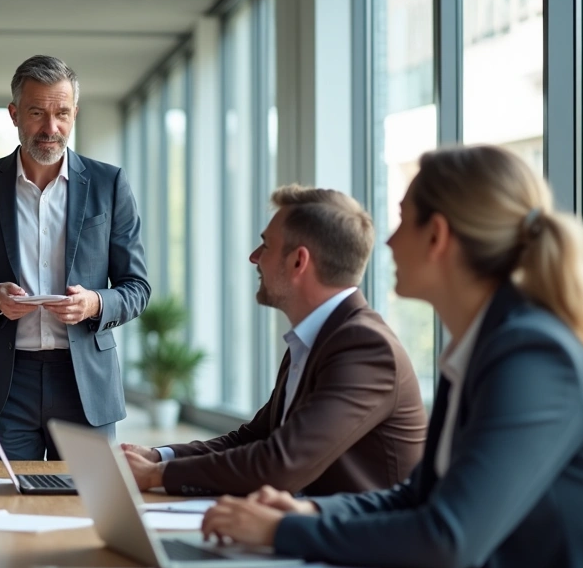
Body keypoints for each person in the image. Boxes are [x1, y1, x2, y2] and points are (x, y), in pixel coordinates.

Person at [202, 145, 583, 568]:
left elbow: (448, 534)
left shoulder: (534, 355)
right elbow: (420, 495)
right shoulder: (481, 345)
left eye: (401, 220)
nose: (389, 242)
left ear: (436, 235)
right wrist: (309, 510)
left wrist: (282, 531)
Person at [123, 187, 426, 496]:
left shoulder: (364, 347)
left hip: (352, 540)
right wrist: (157, 457)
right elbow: (254, 438)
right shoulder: (318, 337)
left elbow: (280, 463)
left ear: (298, 261)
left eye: (265, 245)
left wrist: (156, 475)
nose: (254, 257)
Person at [0, 55, 150, 460]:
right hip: (6, 384)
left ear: (75, 114)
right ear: (14, 114)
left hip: (85, 380)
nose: (51, 128)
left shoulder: (110, 184)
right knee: (5, 507)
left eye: (62, 113)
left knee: (89, 506)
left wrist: (95, 303)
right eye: (37, 113)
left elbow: (137, 287)